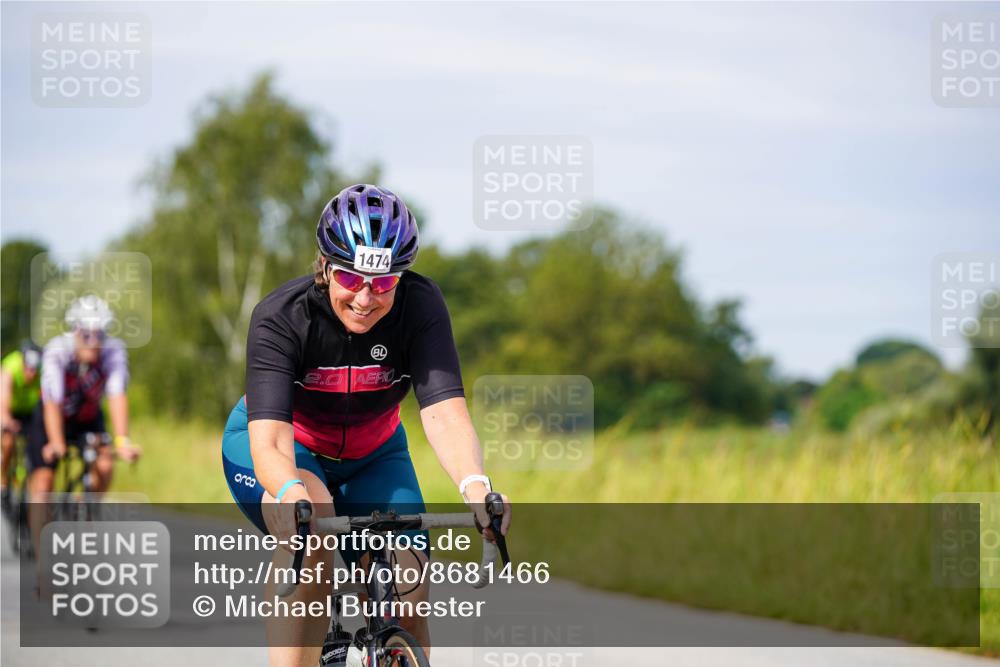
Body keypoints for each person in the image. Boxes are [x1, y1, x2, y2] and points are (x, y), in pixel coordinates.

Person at [222, 183, 511, 666]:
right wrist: (289, 493)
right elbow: (270, 439)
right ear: (325, 266)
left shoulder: (421, 306)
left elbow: (443, 412)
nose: (365, 297)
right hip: (288, 448)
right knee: (311, 535)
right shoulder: (281, 316)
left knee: (410, 592)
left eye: (383, 283)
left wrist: (477, 487)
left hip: (375, 455)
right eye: (351, 279)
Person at [27, 296, 142, 552]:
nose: (93, 341)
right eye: (86, 334)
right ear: (75, 331)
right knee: (44, 483)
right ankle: (43, 566)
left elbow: (116, 396)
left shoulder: (113, 351)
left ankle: (84, 508)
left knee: (105, 461)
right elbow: (52, 401)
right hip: (52, 419)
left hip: (88, 418)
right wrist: (56, 442)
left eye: (99, 334)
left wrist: (122, 441)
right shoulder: (58, 350)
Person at [1, 341, 43, 504]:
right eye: (28, 368)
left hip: (29, 412)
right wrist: (6, 420)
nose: (31, 374)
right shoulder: (10, 367)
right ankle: (3, 478)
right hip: (9, 409)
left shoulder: (43, 369)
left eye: (34, 369)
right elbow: (3, 399)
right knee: (9, 441)